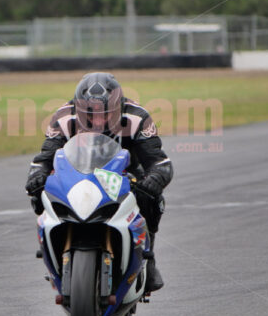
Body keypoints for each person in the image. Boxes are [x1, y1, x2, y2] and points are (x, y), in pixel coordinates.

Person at [24, 72, 173, 292]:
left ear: (118, 107)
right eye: (90, 114)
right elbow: (43, 160)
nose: (98, 121)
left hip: (126, 174)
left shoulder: (137, 117)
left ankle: (148, 258)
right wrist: (36, 177)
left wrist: (153, 180)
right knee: (39, 191)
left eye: (106, 114)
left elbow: (160, 162)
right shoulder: (63, 119)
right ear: (78, 109)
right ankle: (52, 252)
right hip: (77, 173)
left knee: (152, 196)